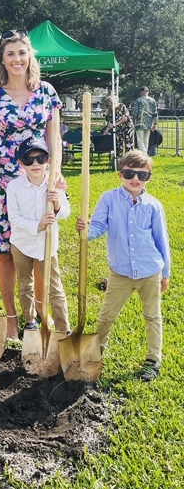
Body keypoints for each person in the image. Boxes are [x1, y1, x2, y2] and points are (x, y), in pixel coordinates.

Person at [0, 28, 63, 339]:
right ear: (1, 59)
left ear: (30, 56)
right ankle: (12, 318)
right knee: (4, 251)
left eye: (22, 52)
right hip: (2, 182)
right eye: (10, 54)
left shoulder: (47, 93)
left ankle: (39, 315)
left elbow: (55, 140)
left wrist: (56, 173)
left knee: (40, 251)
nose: (17, 59)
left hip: (38, 180)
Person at [76, 150, 170, 381]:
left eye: (142, 175)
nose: (135, 178)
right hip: (121, 273)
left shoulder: (154, 206)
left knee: (152, 316)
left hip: (150, 271)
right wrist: (87, 230)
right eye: (129, 173)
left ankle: (153, 360)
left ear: (149, 177)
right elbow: (99, 226)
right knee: (106, 316)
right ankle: (96, 354)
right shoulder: (109, 199)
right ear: (120, 174)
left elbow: (162, 240)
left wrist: (165, 273)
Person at [7, 136, 70, 333]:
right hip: (21, 243)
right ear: (21, 164)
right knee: (25, 283)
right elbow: (14, 218)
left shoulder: (54, 185)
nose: (35, 163)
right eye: (29, 159)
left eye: (40, 159)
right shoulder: (14, 187)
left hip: (46, 244)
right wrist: (38, 225)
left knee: (55, 286)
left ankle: (63, 329)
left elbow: (66, 213)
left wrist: (57, 204)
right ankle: (30, 320)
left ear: (48, 161)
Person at [132, 87, 158, 153]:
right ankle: (145, 153)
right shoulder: (153, 101)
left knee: (140, 140)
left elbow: (135, 113)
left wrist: (133, 122)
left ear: (141, 92)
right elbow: (155, 114)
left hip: (139, 123)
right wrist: (155, 124)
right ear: (148, 92)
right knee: (146, 140)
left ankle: (144, 154)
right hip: (149, 123)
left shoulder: (138, 101)